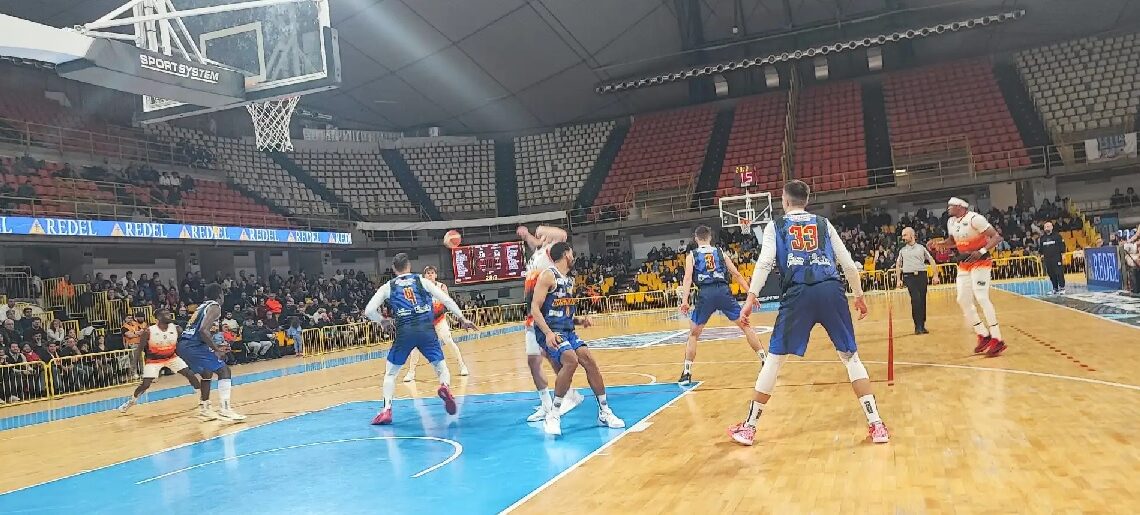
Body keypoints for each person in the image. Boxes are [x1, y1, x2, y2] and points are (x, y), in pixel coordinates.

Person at [730, 180, 889, 446]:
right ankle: (877, 425)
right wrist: (859, 296)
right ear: (807, 200)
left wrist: (750, 299)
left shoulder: (776, 226)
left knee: (775, 360)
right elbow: (848, 263)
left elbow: (765, 262)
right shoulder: (824, 224)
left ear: (785, 200)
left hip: (798, 293)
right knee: (850, 358)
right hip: (831, 290)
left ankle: (749, 427)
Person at [364, 253, 477, 425]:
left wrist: (383, 321)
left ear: (394, 269)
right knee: (441, 367)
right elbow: (446, 299)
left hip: (405, 331)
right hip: (426, 329)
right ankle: (445, 387)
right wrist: (462, 318)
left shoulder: (389, 286)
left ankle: (386, 410)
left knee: (391, 374)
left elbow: (369, 311)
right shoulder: (421, 281)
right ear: (409, 266)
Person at [531, 242, 625, 436]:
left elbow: (561, 312)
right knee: (571, 360)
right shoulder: (548, 275)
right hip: (550, 331)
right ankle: (553, 414)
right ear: (566, 254)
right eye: (572, 253)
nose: (574, 257)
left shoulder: (569, 280)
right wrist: (548, 333)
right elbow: (534, 308)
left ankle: (604, 412)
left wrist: (580, 320)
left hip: (567, 329)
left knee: (589, 361)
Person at [676, 225, 767, 384]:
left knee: (693, 334)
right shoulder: (720, 252)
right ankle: (765, 361)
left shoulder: (692, 255)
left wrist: (684, 301)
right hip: (723, 291)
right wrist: (751, 295)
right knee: (746, 326)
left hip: (706, 293)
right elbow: (737, 274)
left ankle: (687, 372)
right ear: (710, 237)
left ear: (696, 239)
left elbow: (688, 278)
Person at [517, 225, 584, 422]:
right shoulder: (537, 254)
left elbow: (562, 235)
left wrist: (537, 231)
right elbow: (533, 243)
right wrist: (529, 237)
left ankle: (569, 394)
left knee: (553, 356)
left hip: (545, 313)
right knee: (533, 361)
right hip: (531, 312)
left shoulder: (549, 253)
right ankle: (546, 404)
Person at [932, 197, 1007, 357]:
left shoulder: (975, 219)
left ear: (960, 206)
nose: (948, 209)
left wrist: (981, 251)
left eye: (950, 206)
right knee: (962, 299)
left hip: (981, 262)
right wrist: (939, 244)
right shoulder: (951, 222)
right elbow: (953, 241)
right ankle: (983, 334)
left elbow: (996, 237)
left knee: (981, 297)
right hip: (964, 264)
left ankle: (997, 338)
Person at [176, 283, 246, 421]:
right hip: (193, 345)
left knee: (206, 373)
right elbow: (203, 330)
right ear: (220, 294)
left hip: (184, 344)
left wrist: (215, 345)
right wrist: (216, 349)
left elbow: (201, 330)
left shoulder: (202, 306)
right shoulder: (215, 306)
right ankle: (225, 409)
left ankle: (205, 408)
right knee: (224, 371)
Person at [119, 309, 201, 413]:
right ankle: (132, 401)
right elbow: (139, 349)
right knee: (145, 384)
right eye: (165, 314)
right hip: (154, 360)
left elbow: (182, 343)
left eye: (168, 313)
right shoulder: (148, 331)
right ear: (158, 318)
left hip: (171, 357)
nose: (169, 315)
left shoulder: (177, 328)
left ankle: (202, 399)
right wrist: (133, 365)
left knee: (190, 374)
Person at [403, 266, 469, 382]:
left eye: (432, 273)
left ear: (436, 275)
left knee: (448, 341)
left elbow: (446, 303)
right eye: (428, 273)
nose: (430, 275)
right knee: (416, 347)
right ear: (424, 276)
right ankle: (411, 372)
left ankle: (462, 365)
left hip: (439, 319)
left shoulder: (441, 287)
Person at [894, 227, 941, 334]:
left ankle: (922, 325)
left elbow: (931, 260)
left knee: (922, 300)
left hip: (921, 275)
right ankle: (917, 326)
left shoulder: (921, 248)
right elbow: (898, 264)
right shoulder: (902, 250)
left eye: (905, 235)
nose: (903, 237)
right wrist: (898, 279)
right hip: (909, 276)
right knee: (915, 299)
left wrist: (935, 275)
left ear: (912, 235)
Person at [1038, 221, 1066, 295]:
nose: (1046, 228)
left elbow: (1062, 246)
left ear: (1052, 227)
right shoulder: (1042, 238)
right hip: (1047, 259)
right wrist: (1041, 255)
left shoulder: (1057, 236)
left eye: (1048, 226)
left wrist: (1063, 254)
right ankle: (1055, 288)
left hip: (1056, 258)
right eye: (1045, 227)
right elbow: (1041, 248)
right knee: (1051, 274)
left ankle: (1062, 288)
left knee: (1059, 273)